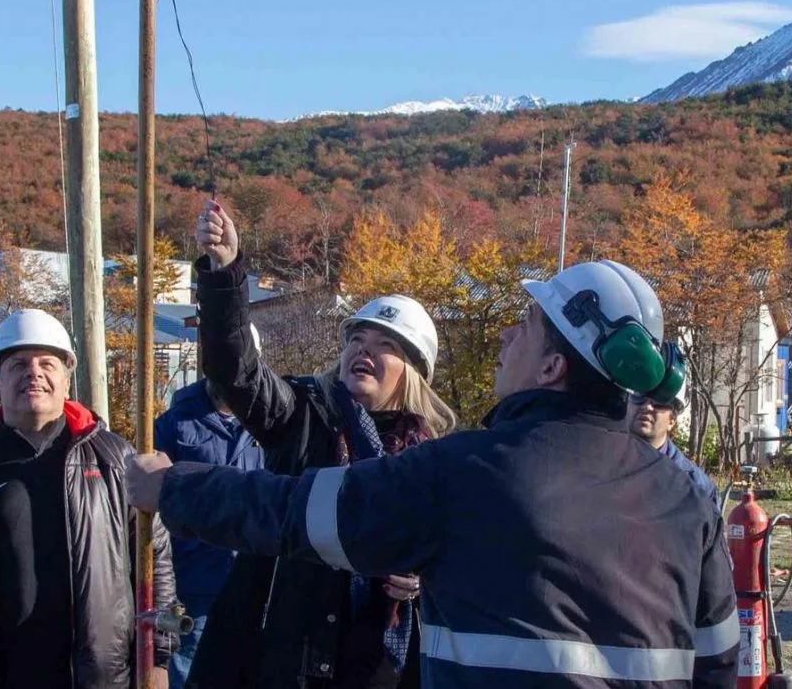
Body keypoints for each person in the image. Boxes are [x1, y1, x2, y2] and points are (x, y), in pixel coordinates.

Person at [128, 257, 738, 689]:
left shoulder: (465, 472)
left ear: (552, 366)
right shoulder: (688, 498)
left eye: (524, 325)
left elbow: (292, 512)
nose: (505, 332)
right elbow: (717, 663)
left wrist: (173, 486)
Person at [177, 199, 459, 689]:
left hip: (380, 671)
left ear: (415, 371)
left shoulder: (436, 461)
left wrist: (422, 582)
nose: (363, 351)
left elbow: (462, 565)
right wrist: (224, 274)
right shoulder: (304, 414)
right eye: (356, 339)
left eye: (385, 345)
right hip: (284, 662)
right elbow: (235, 373)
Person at [0, 308, 177, 689]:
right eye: (18, 364)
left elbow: (153, 561)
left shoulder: (115, 461)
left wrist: (157, 659)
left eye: (48, 363)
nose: (34, 373)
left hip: (96, 677)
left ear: (66, 377)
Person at [154, 330, 266, 689]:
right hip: (190, 590)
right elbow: (147, 507)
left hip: (253, 587)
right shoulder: (174, 424)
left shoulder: (270, 425)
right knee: (187, 676)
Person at [628, 382, 720, 513]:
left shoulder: (697, 488)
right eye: (639, 396)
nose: (647, 406)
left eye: (658, 401)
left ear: (672, 420)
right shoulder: (604, 465)